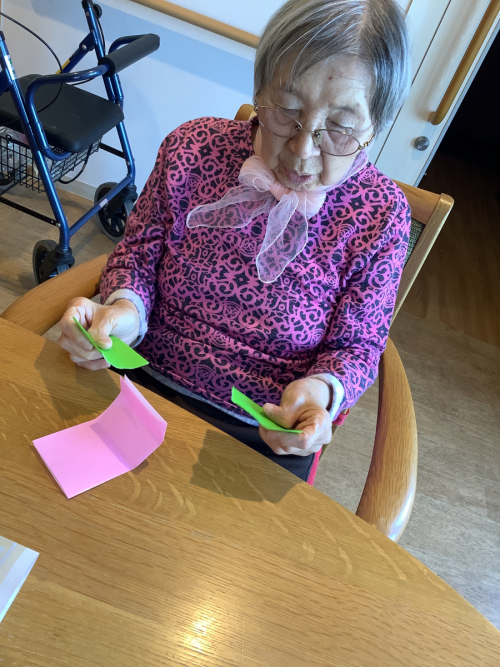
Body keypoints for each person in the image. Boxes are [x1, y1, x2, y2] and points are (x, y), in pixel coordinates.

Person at [58, 0, 412, 483]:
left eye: (341, 128)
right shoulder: (192, 148)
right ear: (259, 90)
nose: (303, 150)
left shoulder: (381, 215)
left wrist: (319, 393)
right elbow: (138, 254)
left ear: (374, 126)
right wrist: (123, 310)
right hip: (137, 381)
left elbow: (358, 344)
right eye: (285, 110)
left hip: (264, 430)